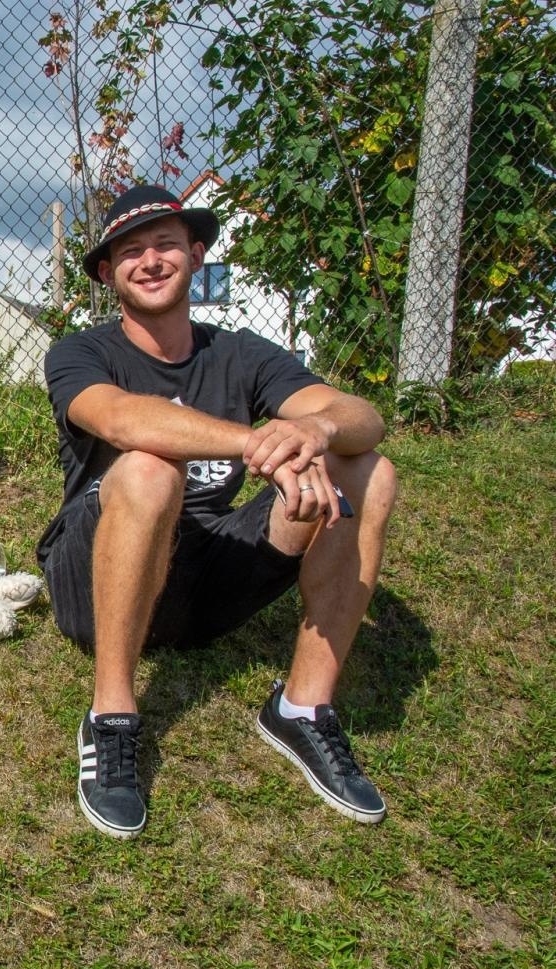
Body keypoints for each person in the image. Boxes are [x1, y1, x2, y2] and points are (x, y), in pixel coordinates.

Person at [37, 185, 398, 840]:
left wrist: (313, 434)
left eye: (166, 245)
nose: (150, 260)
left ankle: (303, 709)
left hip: (204, 573)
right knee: (149, 467)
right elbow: (119, 420)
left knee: (367, 470)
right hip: (98, 571)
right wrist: (256, 442)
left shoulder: (238, 351)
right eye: (130, 251)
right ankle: (113, 715)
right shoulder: (80, 353)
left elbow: (362, 417)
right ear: (106, 273)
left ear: (196, 254)